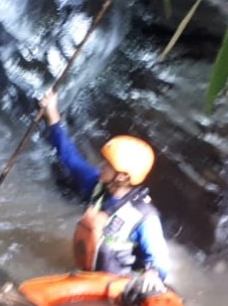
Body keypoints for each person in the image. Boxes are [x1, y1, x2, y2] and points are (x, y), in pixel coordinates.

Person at [39, 90, 171, 294]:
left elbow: (159, 259)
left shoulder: (145, 217)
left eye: (107, 165)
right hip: (89, 275)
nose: (101, 166)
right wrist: (52, 114)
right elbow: (70, 158)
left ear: (122, 176)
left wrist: (152, 273)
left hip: (116, 287)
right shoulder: (97, 186)